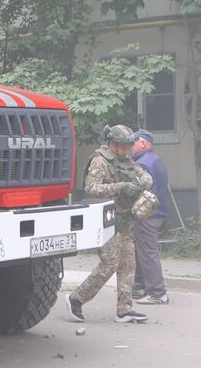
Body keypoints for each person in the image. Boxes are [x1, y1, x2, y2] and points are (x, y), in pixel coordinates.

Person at [66, 124, 153, 326]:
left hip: (124, 220)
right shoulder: (100, 161)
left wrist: (146, 180)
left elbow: (141, 173)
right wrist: (121, 186)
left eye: (129, 147)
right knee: (110, 264)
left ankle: (124, 310)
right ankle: (76, 299)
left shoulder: (126, 160)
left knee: (128, 264)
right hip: (107, 221)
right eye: (124, 147)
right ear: (113, 144)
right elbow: (91, 189)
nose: (128, 151)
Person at [131, 130, 170, 306]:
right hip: (156, 212)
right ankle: (140, 287)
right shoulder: (155, 159)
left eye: (134, 142)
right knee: (142, 250)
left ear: (143, 144)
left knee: (147, 252)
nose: (130, 146)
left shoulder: (143, 163)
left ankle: (157, 293)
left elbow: (138, 191)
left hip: (147, 214)